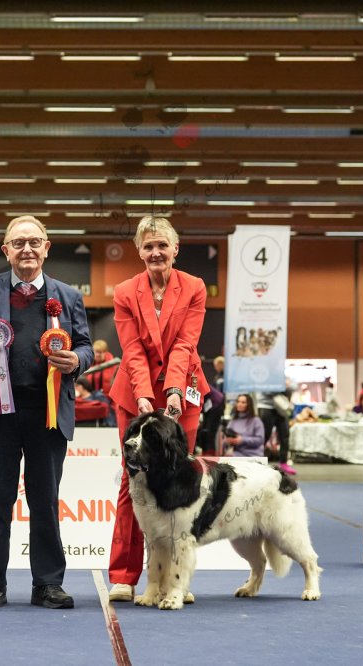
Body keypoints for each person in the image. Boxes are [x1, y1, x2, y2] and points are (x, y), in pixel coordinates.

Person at [0, 215, 93, 610]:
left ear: (47, 248)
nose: (27, 249)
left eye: (34, 242)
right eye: (19, 243)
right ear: (6, 251)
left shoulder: (68, 296)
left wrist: (77, 361)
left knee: (45, 502)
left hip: (48, 414)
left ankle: (48, 584)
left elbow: (85, 345)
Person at [105, 215, 209, 603]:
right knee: (133, 482)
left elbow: (185, 343)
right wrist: (145, 396)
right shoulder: (124, 292)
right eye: (148, 246)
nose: (155, 252)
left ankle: (175, 579)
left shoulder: (195, 287)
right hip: (134, 394)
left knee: (179, 480)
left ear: (175, 249)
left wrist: (174, 391)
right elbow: (132, 349)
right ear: (139, 251)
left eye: (162, 245)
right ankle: (124, 575)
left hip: (184, 394)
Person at [256, 389, 295, 474]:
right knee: (264, 436)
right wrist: (283, 389)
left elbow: (292, 387)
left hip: (282, 406)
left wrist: (286, 387)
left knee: (285, 436)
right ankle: (258, 462)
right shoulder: (264, 378)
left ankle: (283, 463)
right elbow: (266, 391)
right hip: (266, 406)